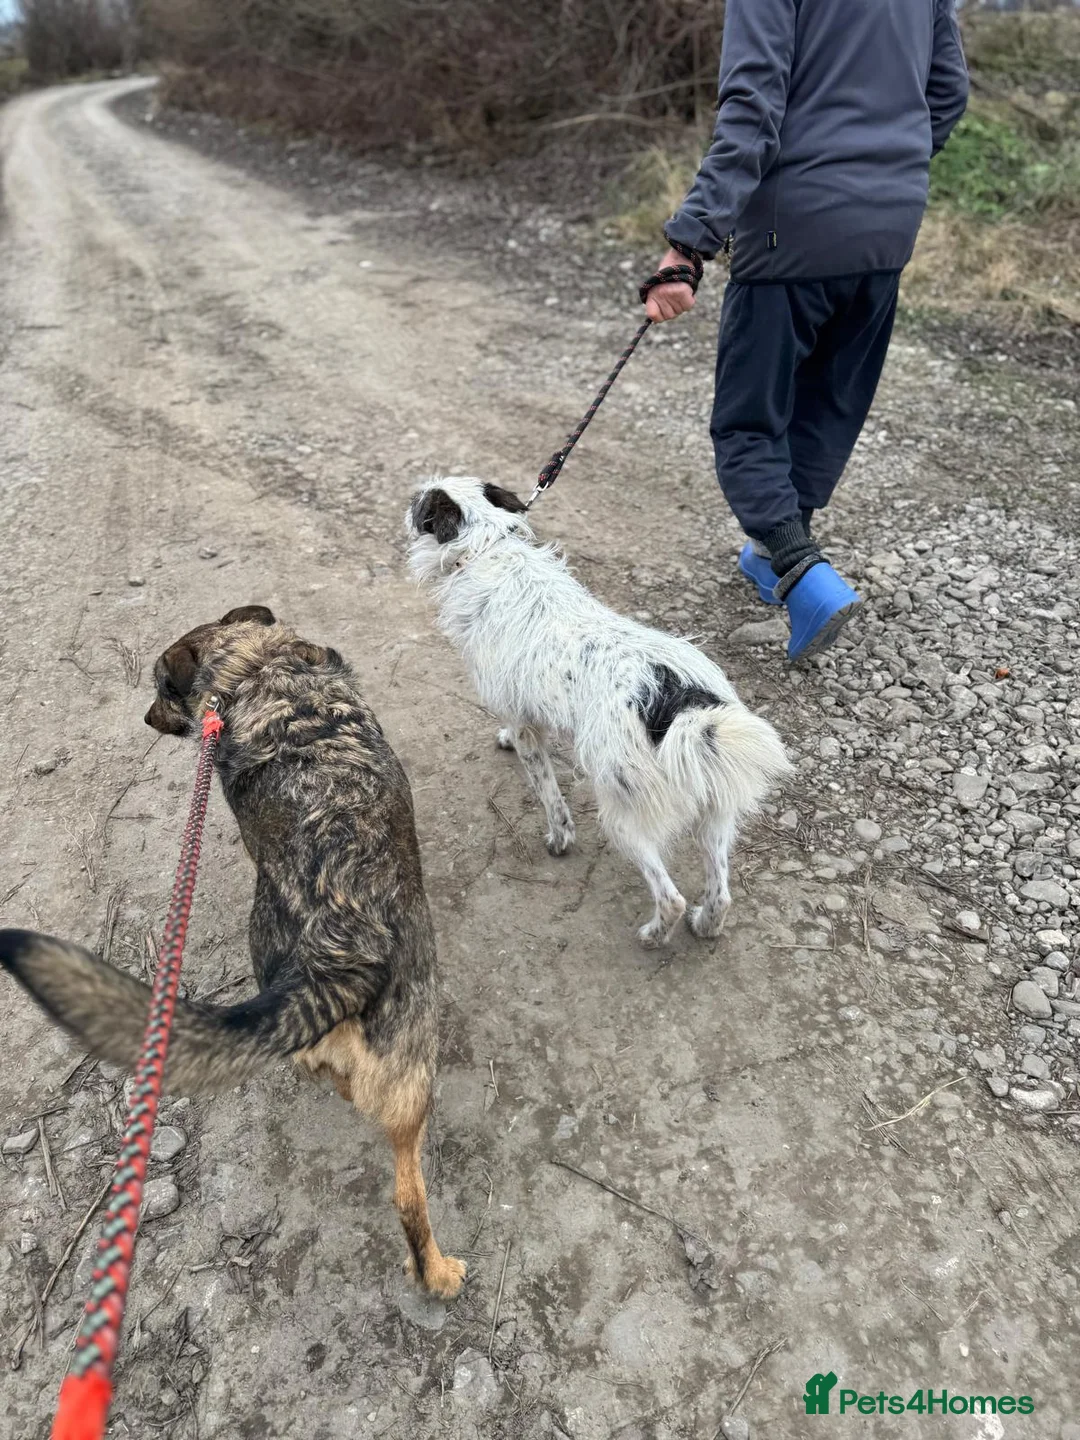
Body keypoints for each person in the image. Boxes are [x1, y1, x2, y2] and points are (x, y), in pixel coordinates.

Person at [646, 0, 969, 660]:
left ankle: (802, 572)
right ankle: (775, 557)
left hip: (793, 223)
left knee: (748, 419)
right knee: (830, 398)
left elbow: (752, 109)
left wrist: (688, 244)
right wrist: (888, 170)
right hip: (888, 222)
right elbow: (948, 92)